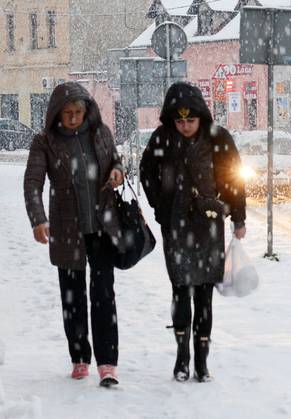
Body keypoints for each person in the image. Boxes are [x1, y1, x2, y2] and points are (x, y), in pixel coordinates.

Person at [140, 82, 246, 382]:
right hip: (175, 227)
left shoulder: (218, 138)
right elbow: (146, 172)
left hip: (209, 225)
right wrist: (160, 206)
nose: (185, 126)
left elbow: (235, 178)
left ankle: (202, 360)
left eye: (191, 120)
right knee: (180, 291)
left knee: (204, 295)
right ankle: (181, 357)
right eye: (180, 120)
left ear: (201, 116)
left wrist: (237, 217)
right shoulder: (162, 138)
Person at [23, 82, 124, 387]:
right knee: (73, 297)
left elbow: (116, 160)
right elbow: (32, 184)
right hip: (67, 230)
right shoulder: (45, 142)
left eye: (78, 111)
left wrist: (118, 171)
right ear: (56, 114)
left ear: (86, 110)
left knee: (104, 295)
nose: (73, 118)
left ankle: (107, 363)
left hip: (103, 228)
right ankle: (80, 356)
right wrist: (38, 220)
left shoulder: (100, 132)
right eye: (66, 113)